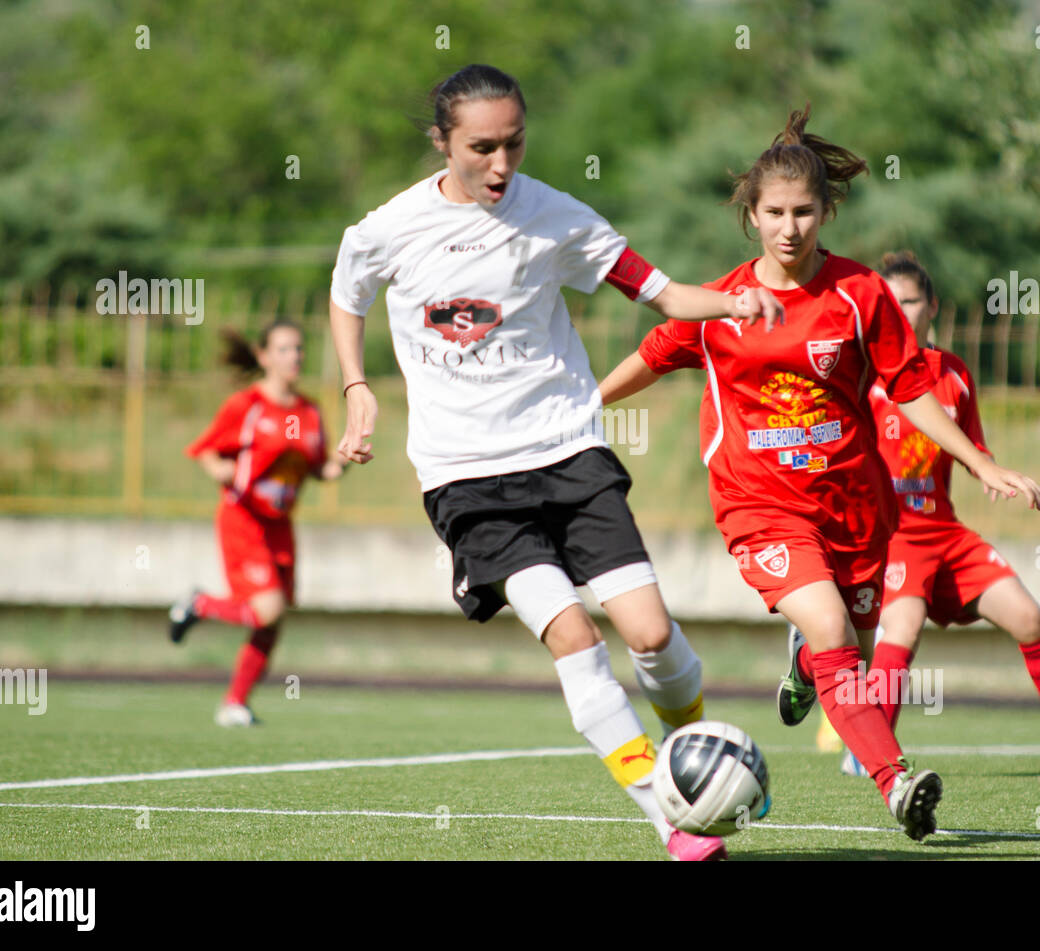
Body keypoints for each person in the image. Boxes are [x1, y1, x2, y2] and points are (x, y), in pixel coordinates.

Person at [327, 64, 784, 861]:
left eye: (514, 143)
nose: (501, 165)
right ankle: (665, 814)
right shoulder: (391, 226)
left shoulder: (557, 218)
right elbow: (348, 291)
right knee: (574, 636)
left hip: (568, 453)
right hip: (467, 478)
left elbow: (664, 292)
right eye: (481, 148)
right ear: (442, 143)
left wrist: (733, 300)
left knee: (648, 632)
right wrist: (357, 387)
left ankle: (700, 759)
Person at [599, 104, 1040, 841]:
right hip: (760, 506)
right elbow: (652, 354)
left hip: (854, 505)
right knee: (834, 627)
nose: (789, 228)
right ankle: (897, 783)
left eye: (804, 212)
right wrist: (582, 408)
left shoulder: (861, 294)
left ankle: (808, 666)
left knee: (853, 655)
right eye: (774, 212)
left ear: (826, 210)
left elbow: (909, 389)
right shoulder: (723, 303)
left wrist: (981, 461)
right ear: (752, 214)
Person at [848, 250, 1040, 776]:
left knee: (1029, 618)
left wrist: (998, 472)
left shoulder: (954, 374)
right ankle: (872, 750)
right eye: (888, 303)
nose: (899, 312)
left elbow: (973, 450)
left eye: (908, 301)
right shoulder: (867, 375)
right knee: (901, 632)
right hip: (895, 536)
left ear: (932, 305)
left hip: (947, 535)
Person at [168, 319, 347, 727]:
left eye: (298, 349)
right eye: (283, 349)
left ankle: (235, 703)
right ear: (264, 357)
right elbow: (206, 450)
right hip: (243, 518)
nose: (294, 357)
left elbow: (320, 468)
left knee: (276, 618)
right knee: (267, 610)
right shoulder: (246, 405)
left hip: (280, 525)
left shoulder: (308, 412)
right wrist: (219, 468)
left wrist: (346, 460)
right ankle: (199, 604)